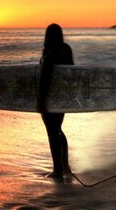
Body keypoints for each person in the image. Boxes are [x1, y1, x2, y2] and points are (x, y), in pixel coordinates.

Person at [37, 23, 73, 179]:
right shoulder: (66, 49)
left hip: (50, 98)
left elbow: (45, 78)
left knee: (52, 132)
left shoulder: (50, 53)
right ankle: (65, 166)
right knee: (58, 129)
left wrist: (41, 101)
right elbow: (71, 73)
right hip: (62, 98)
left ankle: (57, 170)